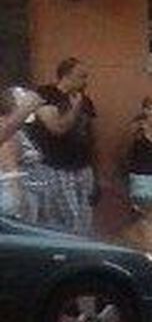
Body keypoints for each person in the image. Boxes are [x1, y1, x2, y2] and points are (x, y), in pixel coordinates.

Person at [30, 57, 99, 235]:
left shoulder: (86, 101)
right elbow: (57, 128)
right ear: (66, 76)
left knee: (85, 220)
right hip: (57, 167)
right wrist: (75, 108)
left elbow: (91, 137)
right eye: (81, 76)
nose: (86, 81)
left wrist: (95, 173)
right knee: (66, 221)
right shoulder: (46, 95)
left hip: (82, 167)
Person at [0, 87, 42, 219]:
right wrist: (18, 207)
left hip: (27, 192)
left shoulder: (16, 130)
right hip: (17, 197)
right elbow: (10, 170)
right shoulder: (9, 133)